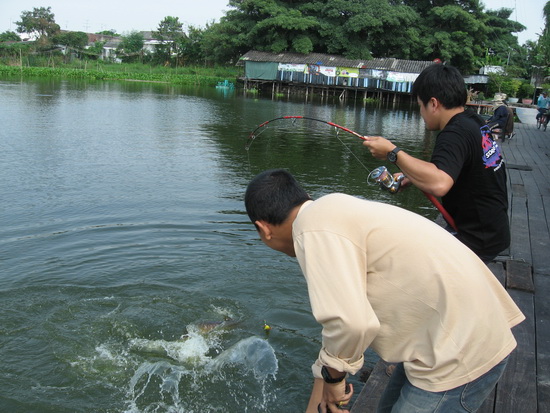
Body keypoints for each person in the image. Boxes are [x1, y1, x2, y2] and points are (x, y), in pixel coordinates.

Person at [244, 169, 524, 413]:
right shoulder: (331, 210)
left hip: (462, 349)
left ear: (263, 228)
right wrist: (327, 383)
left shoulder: (311, 232)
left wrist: (334, 381)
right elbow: (338, 331)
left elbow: (351, 324)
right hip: (456, 327)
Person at [362, 64, 509, 262]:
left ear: (433, 104)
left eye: (420, 106)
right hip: (493, 230)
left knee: (396, 258)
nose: (421, 113)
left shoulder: (454, 133)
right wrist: (411, 176)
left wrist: (392, 152)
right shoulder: (472, 121)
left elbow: (439, 184)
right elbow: (457, 168)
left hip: (476, 240)